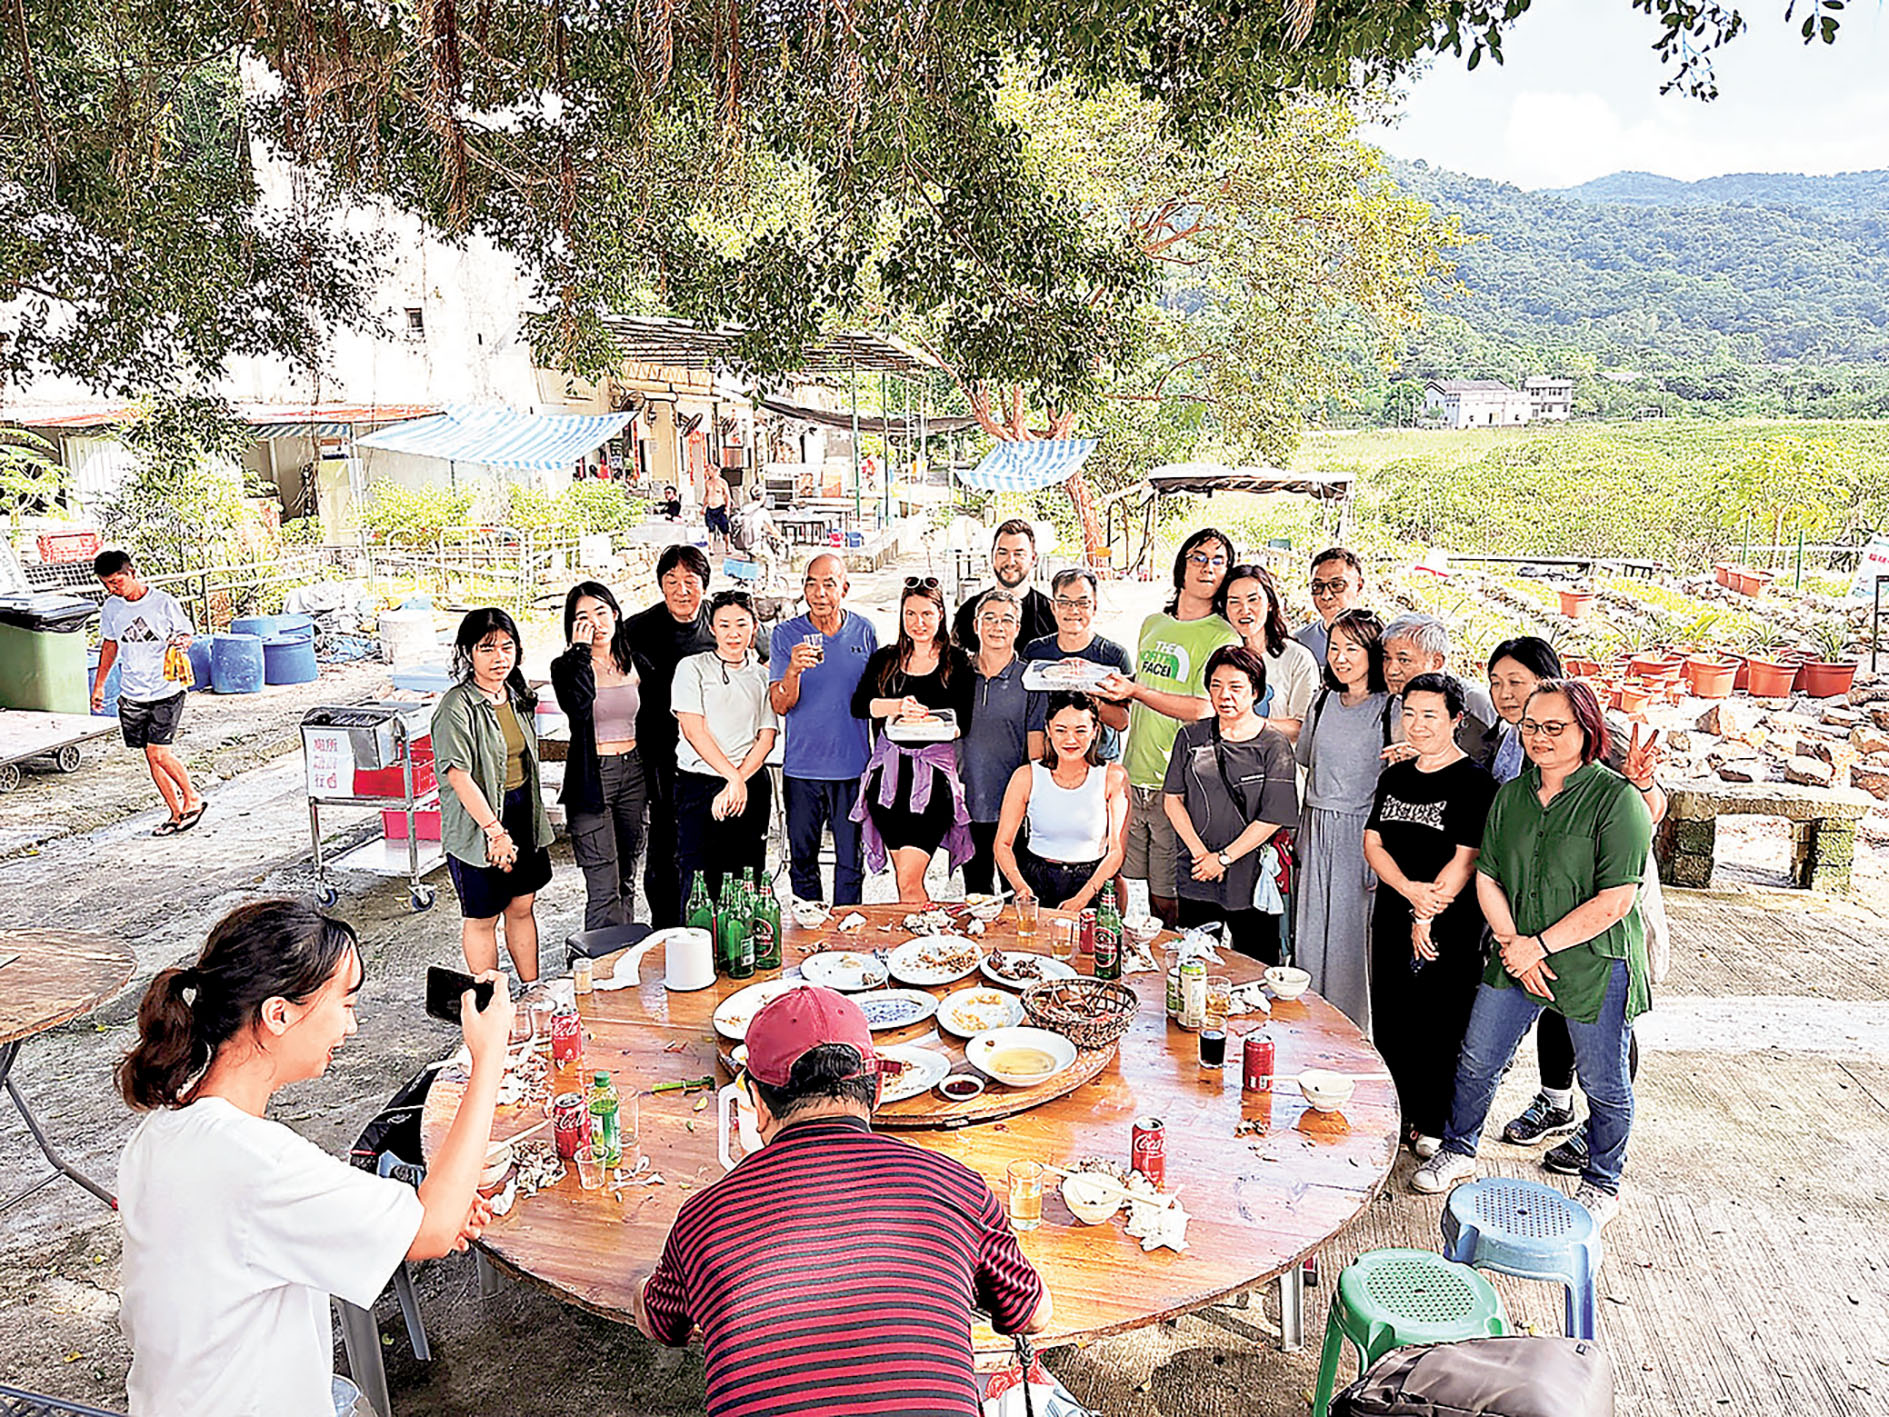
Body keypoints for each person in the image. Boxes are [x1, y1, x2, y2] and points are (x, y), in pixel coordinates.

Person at [116, 897, 512, 1417]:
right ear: (278, 1014)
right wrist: (489, 1058)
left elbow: (267, 1234)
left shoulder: (162, 1131)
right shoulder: (257, 1163)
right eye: (345, 1005)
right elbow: (433, 1230)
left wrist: (434, 1211)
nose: (351, 1027)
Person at [631, 986, 1049, 1417]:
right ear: (879, 1088)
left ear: (756, 1104)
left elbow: (660, 1323)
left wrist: (643, 1286)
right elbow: (1034, 1316)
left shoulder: (704, 1217)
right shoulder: (957, 1187)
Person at [1412, 680, 1653, 1227]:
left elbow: (1616, 899)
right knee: (1477, 1058)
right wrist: (1513, 946)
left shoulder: (1616, 799)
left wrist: (1537, 946)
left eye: (1554, 727)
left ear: (1586, 730)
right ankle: (1459, 1146)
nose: (1540, 738)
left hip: (1593, 961)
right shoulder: (1513, 796)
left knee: (1603, 1080)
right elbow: (1489, 874)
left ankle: (1602, 1180)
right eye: (1531, 726)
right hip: (1512, 950)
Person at [1483, 637, 1665, 1180]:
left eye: (1517, 682)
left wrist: (1645, 782)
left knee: (1607, 1022)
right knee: (1550, 1006)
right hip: (1535, 899)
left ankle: (1597, 1131)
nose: (1505, 694)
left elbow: (1650, 808)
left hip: (1605, 899)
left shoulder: (1588, 734)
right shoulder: (1508, 740)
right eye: (1495, 682)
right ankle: (1555, 1101)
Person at [1362, 673, 1499, 1156]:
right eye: (1409, 714)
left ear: (1456, 720)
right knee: (1393, 1016)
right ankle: (1399, 1114)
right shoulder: (1395, 776)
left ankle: (1436, 1121)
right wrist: (1406, 892)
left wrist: (1427, 911)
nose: (1416, 725)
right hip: (1394, 912)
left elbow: (1466, 857)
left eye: (1429, 715)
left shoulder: (1475, 783)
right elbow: (1373, 841)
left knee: (1441, 1024)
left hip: (1450, 923)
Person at [1101, 527, 1238, 928]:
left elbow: (1205, 709)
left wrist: (1137, 691)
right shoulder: (1152, 624)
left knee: (1169, 901)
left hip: (1177, 784)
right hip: (1135, 773)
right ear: (1181, 566)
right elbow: (1139, 693)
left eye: (1218, 560)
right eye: (1198, 557)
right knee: (1122, 880)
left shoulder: (1222, 635)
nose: (1207, 567)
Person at [433, 607, 553, 984]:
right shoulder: (456, 707)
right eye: (487, 648)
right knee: (484, 913)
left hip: (521, 807)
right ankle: (491, 1002)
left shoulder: (517, 695)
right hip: (478, 820)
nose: (499, 657)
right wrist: (494, 831)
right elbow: (459, 776)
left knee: (522, 904)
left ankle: (531, 989)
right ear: (468, 652)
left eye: (507, 647)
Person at [1162, 647, 1300, 963]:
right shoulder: (1191, 737)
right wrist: (1202, 856)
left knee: (1255, 964)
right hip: (1196, 870)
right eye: (1216, 684)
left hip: (1252, 875)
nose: (1224, 695)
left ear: (1255, 691)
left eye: (1236, 687)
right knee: (1193, 961)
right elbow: (1172, 800)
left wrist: (1222, 860)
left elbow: (1273, 816)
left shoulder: (1273, 744)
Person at [1294, 608, 1392, 1033]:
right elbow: (1305, 761)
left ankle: (1350, 1035)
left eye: (1352, 648)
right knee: (1309, 933)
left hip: (1362, 833)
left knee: (1352, 941)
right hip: (1315, 825)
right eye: (1334, 647)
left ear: (1373, 652)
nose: (1340, 657)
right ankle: (1307, 1025)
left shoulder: (1391, 709)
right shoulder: (1322, 701)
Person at [850, 577, 975, 902]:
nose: (918, 623)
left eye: (927, 614)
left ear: (941, 615)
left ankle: (925, 944)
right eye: (910, 614)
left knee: (909, 880)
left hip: (932, 783)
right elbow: (860, 705)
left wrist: (932, 721)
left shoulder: (956, 661)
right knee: (903, 882)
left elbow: (963, 722)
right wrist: (897, 707)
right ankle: (918, 943)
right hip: (888, 783)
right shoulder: (885, 659)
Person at [769, 554, 878, 905]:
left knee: (850, 862)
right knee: (802, 861)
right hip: (802, 769)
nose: (819, 592)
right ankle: (809, 933)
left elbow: (876, 699)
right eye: (811, 583)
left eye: (829, 583)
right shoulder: (786, 634)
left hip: (852, 769)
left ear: (844, 587)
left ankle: (846, 938)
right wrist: (793, 671)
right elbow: (780, 705)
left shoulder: (865, 631)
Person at [625, 546, 715, 927]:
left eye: (690, 582)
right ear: (661, 585)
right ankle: (665, 925)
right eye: (671, 582)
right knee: (666, 840)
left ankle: (709, 919)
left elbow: (760, 656)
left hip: (714, 752)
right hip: (660, 752)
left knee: (710, 839)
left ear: (704, 585)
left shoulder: (719, 621)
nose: (681, 590)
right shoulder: (636, 630)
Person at [674, 590, 779, 903]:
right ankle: (698, 949)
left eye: (741, 624)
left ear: (754, 627)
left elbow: (767, 736)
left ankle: (745, 947)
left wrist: (739, 779)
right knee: (699, 877)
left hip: (750, 784)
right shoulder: (691, 668)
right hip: (701, 783)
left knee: (747, 873)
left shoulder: (763, 676)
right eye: (724, 625)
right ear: (712, 628)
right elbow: (693, 729)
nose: (733, 633)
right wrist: (731, 778)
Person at [552, 582, 646, 932]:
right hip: (593, 779)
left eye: (601, 612)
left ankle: (621, 960)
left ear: (616, 614)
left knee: (626, 878)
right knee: (603, 887)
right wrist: (579, 651)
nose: (595, 622)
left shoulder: (634, 661)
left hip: (633, 772)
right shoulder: (566, 667)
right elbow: (577, 708)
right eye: (583, 618)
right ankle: (596, 971)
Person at [91, 549, 203, 835]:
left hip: (166, 687)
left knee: (159, 752)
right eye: (107, 584)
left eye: (117, 582)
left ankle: (193, 797)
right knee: (151, 756)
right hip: (133, 692)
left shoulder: (163, 603)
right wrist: (100, 684)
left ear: (132, 574)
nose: (112, 589)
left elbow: (187, 634)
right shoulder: (112, 608)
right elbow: (110, 646)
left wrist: (182, 642)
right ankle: (175, 813)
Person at [994, 692, 1129, 910]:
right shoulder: (1026, 776)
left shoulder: (1113, 777)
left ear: (1095, 731)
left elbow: (1116, 852)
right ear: (1047, 730)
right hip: (1036, 880)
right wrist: (1020, 887)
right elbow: (1002, 844)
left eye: (1081, 730)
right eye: (1061, 730)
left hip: (1093, 882)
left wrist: (1082, 899)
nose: (1070, 739)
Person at [961, 588, 1032, 896]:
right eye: (989, 619)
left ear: (1017, 628)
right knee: (976, 892)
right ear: (976, 624)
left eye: (1006, 620)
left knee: (1015, 893)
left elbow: (1038, 748)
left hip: (1012, 806)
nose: (997, 627)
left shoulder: (1030, 678)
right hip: (967, 802)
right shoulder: (957, 673)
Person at [1020, 567, 1132, 763]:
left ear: (1094, 606)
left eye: (1082, 602)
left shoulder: (1114, 655)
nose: (1073, 610)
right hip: (1049, 763)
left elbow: (1122, 721)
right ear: (1053, 607)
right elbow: (1028, 715)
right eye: (1064, 602)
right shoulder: (1035, 652)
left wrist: (1087, 684)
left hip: (1100, 763)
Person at [1222, 563, 1320, 743]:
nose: (1244, 610)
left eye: (1253, 599)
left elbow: (1304, 727)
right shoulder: (1220, 657)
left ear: (1270, 603)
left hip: (1278, 767)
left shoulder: (1297, 657)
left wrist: (1247, 725)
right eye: (1234, 601)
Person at [1381, 613, 1499, 762]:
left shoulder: (1474, 703)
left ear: (1436, 662)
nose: (1391, 670)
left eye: (1404, 660)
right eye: (1387, 658)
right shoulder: (1393, 700)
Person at [951, 518, 1055, 651]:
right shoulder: (968, 612)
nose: (1010, 561)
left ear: (1033, 559)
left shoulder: (1052, 615)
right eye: (1002, 553)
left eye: (1019, 554)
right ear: (992, 557)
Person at [1295, 547, 1367, 665]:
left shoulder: (1381, 640)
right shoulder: (1299, 643)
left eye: (1337, 585)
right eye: (1317, 586)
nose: (1326, 595)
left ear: (1358, 586)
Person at [703, 467, 731, 551]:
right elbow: (707, 495)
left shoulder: (722, 482)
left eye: (709, 471)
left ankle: (727, 546)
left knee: (724, 529)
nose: (708, 473)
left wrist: (727, 508)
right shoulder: (708, 482)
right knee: (710, 529)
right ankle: (710, 547)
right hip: (710, 507)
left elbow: (727, 495)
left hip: (720, 507)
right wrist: (704, 507)